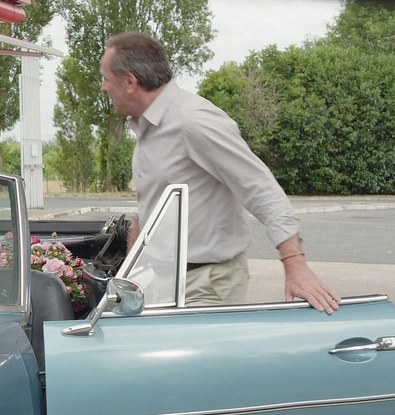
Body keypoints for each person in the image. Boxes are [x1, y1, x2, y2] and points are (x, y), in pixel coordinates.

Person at [99, 32, 340, 314]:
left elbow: (259, 187)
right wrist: (132, 268)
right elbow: (156, 206)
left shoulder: (194, 120)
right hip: (165, 281)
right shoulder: (148, 127)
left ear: (130, 82)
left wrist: (295, 265)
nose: (103, 87)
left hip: (206, 285)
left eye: (105, 78)